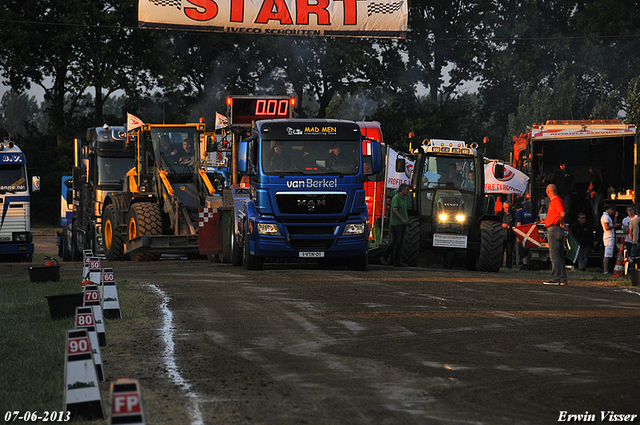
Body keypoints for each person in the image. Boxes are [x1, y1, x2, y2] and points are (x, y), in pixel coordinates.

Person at [380, 183, 410, 267]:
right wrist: (402, 219)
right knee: (396, 241)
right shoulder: (396, 198)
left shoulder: (403, 199)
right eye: (407, 190)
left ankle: (397, 261)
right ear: (403, 190)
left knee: (401, 243)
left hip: (402, 224)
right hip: (396, 224)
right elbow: (394, 210)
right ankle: (384, 256)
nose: (408, 191)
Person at [544, 184, 567, 285]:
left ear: (548, 191)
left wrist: (560, 222)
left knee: (554, 256)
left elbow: (562, 214)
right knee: (560, 256)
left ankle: (555, 278)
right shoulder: (559, 200)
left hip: (554, 229)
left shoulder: (555, 201)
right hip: (557, 228)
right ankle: (562, 278)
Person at [601, 204, 621, 274]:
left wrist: (615, 217)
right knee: (607, 254)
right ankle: (605, 270)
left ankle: (607, 270)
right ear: (609, 209)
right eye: (612, 210)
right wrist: (615, 226)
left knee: (609, 254)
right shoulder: (605, 217)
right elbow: (607, 227)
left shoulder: (608, 217)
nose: (613, 212)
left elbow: (612, 225)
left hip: (610, 237)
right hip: (608, 237)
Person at [501, 200, 515, 268]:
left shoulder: (513, 215)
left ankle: (508, 265)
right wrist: (502, 225)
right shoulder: (500, 214)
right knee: (501, 251)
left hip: (510, 235)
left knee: (509, 252)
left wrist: (510, 227)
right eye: (506, 207)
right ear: (503, 207)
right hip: (501, 235)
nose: (507, 209)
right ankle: (499, 264)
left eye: (508, 207)